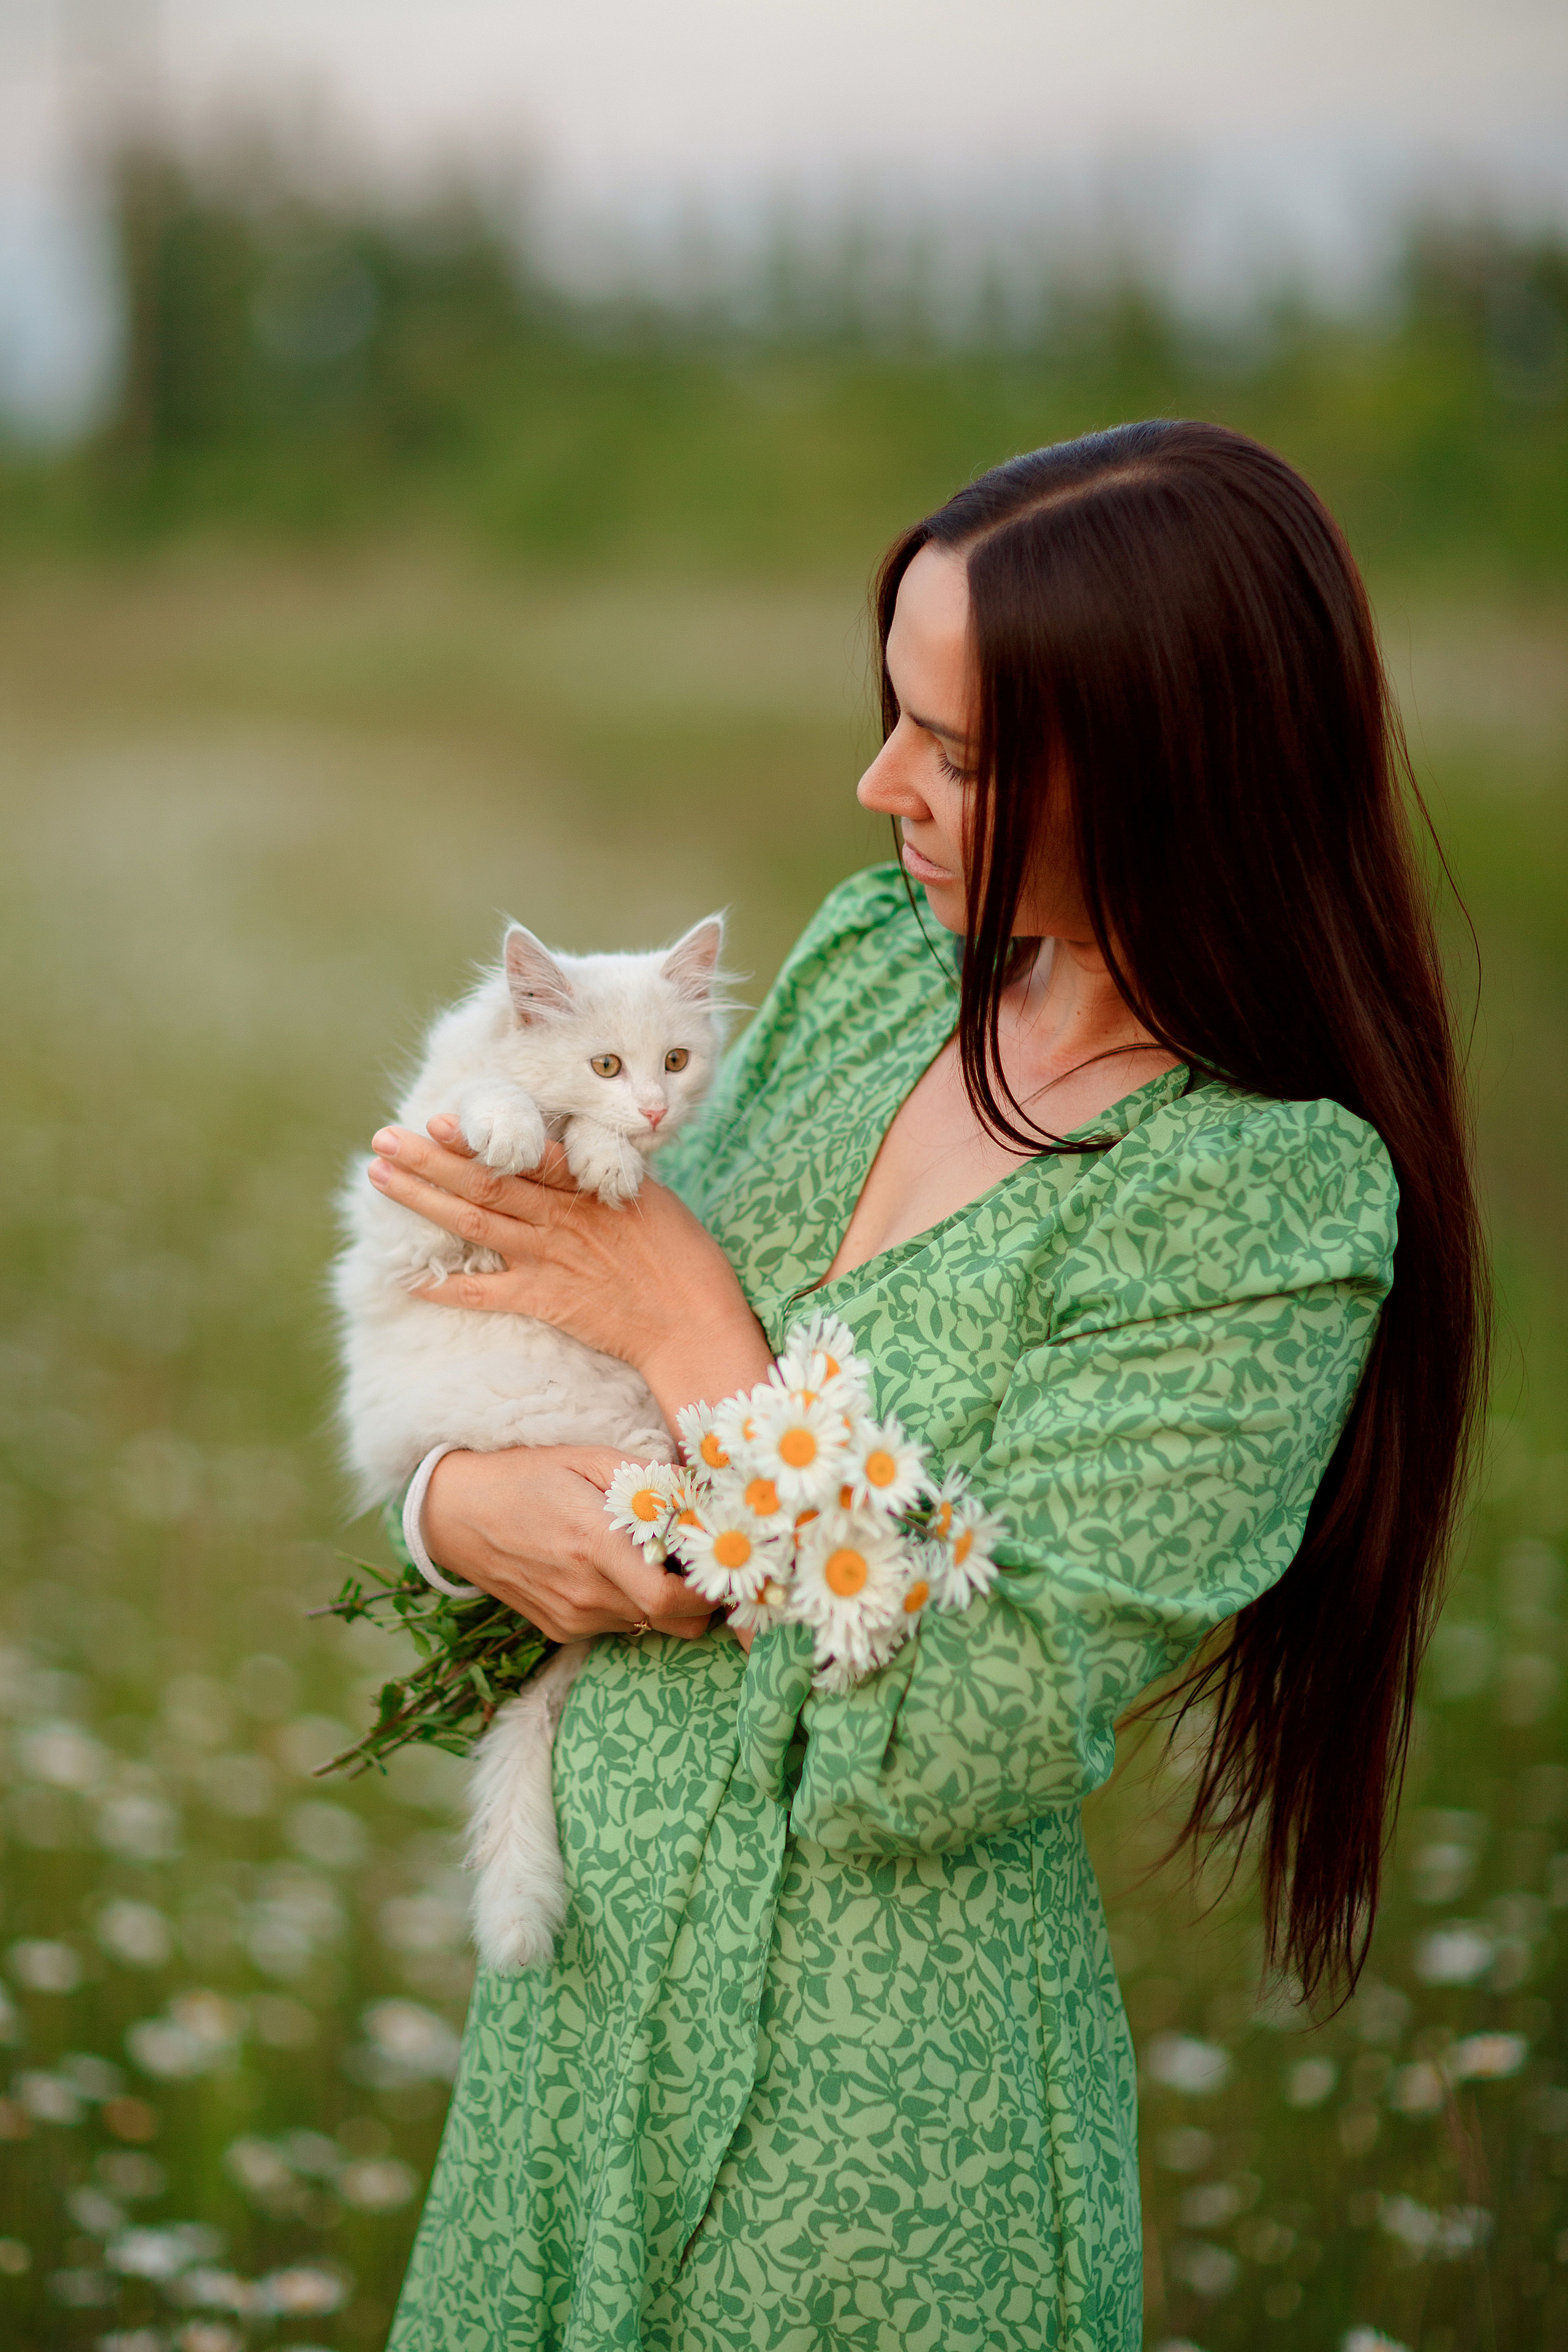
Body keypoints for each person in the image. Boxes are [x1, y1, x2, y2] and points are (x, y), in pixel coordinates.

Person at [368, 420, 1487, 2352]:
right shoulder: (892, 964)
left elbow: (951, 1728)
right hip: (577, 2028)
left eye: (957, 753)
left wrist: (697, 1332)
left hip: (873, 2135)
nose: (879, 782)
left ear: (1171, 771)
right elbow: (531, 1350)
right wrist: (450, 1508)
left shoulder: (1265, 1200)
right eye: (896, 714)